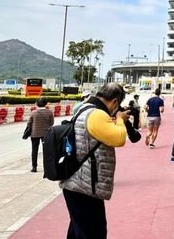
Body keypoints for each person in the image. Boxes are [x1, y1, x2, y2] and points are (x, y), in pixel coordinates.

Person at [60, 83, 129, 239]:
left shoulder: (85, 108)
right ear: (115, 102)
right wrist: (120, 120)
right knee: (94, 233)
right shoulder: (96, 114)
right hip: (85, 186)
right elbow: (119, 138)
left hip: (78, 183)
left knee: (79, 232)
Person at [25, 97, 54, 172]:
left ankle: (34, 167)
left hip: (35, 134)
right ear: (46, 104)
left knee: (34, 150)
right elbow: (51, 123)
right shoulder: (49, 112)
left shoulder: (34, 112)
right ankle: (46, 168)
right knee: (46, 151)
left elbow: (29, 123)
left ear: (37, 104)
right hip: (46, 134)